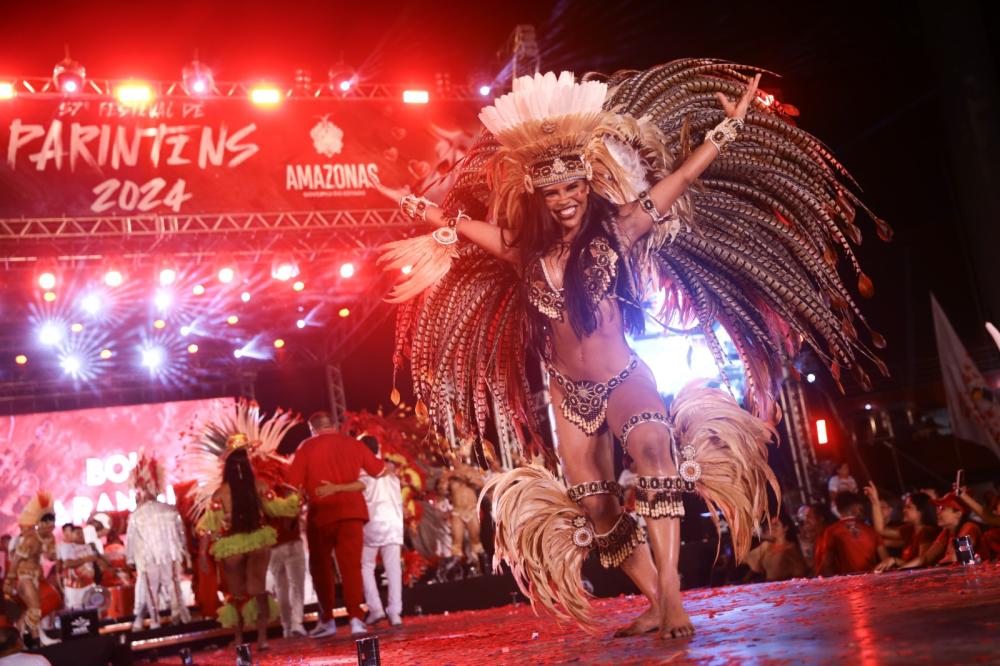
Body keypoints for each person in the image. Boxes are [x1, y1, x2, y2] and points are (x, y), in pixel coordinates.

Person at [380, 60, 887, 638]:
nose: (567, 199)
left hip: (624, 378)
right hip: (567, 394)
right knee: (597, 509)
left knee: (653, 457)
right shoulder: (521, 249)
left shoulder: (618, 228)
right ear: (540, 198)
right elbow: (459, 224)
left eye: (574, 188)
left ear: (586, 188)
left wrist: (726, 132)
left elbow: (678, 184)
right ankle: (653, 600)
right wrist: (419, 208)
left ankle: (672, 599)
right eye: (555, 192)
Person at [188, 401, 301, 652]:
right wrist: (297, 499)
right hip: (258, 540)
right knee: (258, 589)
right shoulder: (258, 486)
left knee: (236, 595)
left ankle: (240, 640)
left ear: (226, 466)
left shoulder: (221, 493)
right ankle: (261, 639)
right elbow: (278, 508)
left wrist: (205, 555)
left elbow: (208, 526)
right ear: (247, 463)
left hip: (231, 547)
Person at [287, 412, 385, 638]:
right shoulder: (352, 443)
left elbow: (292, 486)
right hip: (352, 512)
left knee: (321, 569)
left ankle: (328, 620)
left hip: (321, 514)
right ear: (333, 425)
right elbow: (379, 470)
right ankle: (356, 620)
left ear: (312, 429)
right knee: (351, 568)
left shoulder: (307, 447)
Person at [126, 453, 191, 631]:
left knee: (151, 589)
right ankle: (179, 616)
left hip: (148, 558)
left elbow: (132, 541)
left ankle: (155, 622)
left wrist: (131, 559)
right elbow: (180, 535)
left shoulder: (137, 515)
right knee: (171, 584)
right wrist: (184, 553)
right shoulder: (169, 510)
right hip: (168, 554)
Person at [358, 436, 404, 627]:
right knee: (393, 569)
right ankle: (395, 613)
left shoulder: (361, 471)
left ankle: (376, 608)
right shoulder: (391, 468)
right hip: (393, 522)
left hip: (372, 524)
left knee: (365, 566)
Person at [3, 493, 57, 647]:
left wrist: (52, 552)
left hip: (35, 576)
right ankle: (20, 640)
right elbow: (16, 560)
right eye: (49, 525)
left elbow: (50, 557)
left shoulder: (49, 537)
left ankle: (36, 641)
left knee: (30, 610)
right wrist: (9, 581)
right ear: (40, 524)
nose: (51, 529)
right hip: (23, 577)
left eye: (53, 525)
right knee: (35, 609)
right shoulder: (30, 539)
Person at [265, 467, 307, 639]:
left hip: (274, 547)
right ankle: (296, 622)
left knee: (281, 587)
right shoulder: (289, 492)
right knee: (296, 585)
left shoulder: (262, 497)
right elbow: (292, 517)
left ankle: (287, 627)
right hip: (291, 543)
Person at [864, 484, 939, 572]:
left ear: (920, 512)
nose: (904, 510)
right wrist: (874, 501)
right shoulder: (909, 530)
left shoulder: (928, 531)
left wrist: (895, 561)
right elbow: (881, 530)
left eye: (909, 507)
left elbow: (922, 563)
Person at [900, 492, 982, 568]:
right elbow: (925, 558)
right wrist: (900, 570)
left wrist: (936, 567)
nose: (938, 512)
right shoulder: (947, 532)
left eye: (942, 508)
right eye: (938, 508)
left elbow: (957, 559)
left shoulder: (969, 528)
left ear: (958, 514)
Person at [437, 460, 487, 576]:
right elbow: (442, 491)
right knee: (456, 541)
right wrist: (445, 480)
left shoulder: (472, 471)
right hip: (457, 511)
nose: (455, 461)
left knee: (475, 540)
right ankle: (456, 571)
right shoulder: (449, 474)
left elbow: (481, 484)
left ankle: (479, 568)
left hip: (471, 509)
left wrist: (465, 477)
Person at [819, 492, 883, 576]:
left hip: (847, 585)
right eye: (860, 508)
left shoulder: (831, 531)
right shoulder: (871, 530)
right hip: (871, 581)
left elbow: (826, 565)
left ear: (838, 509)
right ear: (856, 508)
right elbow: (884, 560)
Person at [745, 514, 809, 582]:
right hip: (769, 586)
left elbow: (800, 572)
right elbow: (749, 560)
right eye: (771, 525)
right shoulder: (767, 546)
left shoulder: (791, 548)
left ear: (785, 528)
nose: (772, 527)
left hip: (784, 587)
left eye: (776, 525)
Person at [56, 526, 98, 610]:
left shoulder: (89, 546)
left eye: (82, 533)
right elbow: (67, 564)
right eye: (78, 533)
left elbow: (94, 561)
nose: (81, 535)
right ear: (71, 535)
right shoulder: (65, 547)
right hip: (74, 587)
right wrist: (86, 559)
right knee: (76, 614)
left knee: (92, 611)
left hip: (89, 584)